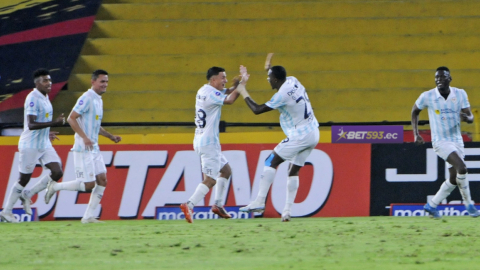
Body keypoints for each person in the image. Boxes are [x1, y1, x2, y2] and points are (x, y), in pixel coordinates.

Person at [236, 65, 319, 222]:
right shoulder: (293, 80)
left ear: (275, 80)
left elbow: (257, 110)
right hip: (313, 131)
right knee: (293, 171)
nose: (268, 81)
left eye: (269, 78)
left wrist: (242, 91)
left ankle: (260, 201)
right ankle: (287, 212)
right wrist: (269, 68)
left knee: (270, 161)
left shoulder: (281, 96)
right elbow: (280, 75)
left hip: (300, 135)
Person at [44, 69, 122, 223]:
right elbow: (72, 118)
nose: (105, 85)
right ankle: (54, 187)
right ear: (93, 82)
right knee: (88, 185)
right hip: (83, 148)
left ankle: (88, 217)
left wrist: (110, 136)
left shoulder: (99, 100)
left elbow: (95, 125)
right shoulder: (86, 98)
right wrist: (85, 137)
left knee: (102, 179)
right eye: (102, 82)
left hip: (94, 148)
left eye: (106, 82)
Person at [412, 66, 479, 219]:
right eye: (437, 77)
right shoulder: (428, 96)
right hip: (440, 141)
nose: (439, 80)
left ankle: (432, 205)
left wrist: (467, 118)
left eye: (442, 77)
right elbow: (415, 111)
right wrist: (416, 134)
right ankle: (469, 205)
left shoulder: (460, 94)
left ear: (450, 79)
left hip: (457, 140)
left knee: (454, 179)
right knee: (462, 168)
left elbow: (470, 116)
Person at [0, 69, 65, 223]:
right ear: (36, 83)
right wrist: (54, 123)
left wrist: (47, 132)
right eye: (44, 80)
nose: (48, 83)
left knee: (57, 171)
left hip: (43, 143)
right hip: (30, 144)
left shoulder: (45, 97)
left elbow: (40, 122)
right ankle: (6, 212)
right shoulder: (32, 98)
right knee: (24, 178)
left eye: (49, 80)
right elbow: (31, 124)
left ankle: (28, 194)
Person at [179, 66, 242, 223]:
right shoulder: (211, 94)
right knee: (211, 180)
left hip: (201, 139)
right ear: (213, 80)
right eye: (223, 78)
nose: (225, 80)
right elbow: (230, 99)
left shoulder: (204, 90)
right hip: (208, 143)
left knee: (226, 171)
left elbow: (225, 92)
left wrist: (235, 86)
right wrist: (242, 86)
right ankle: (189, 205)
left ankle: (218, 205)